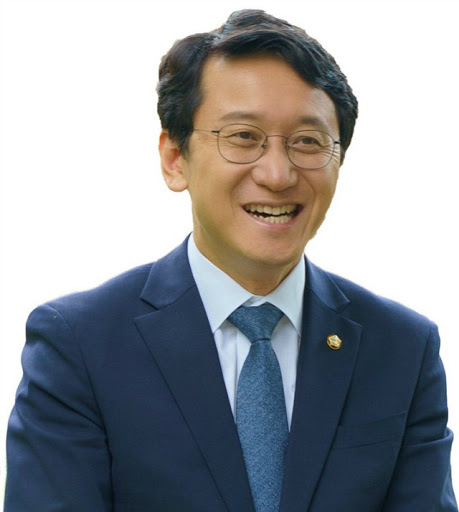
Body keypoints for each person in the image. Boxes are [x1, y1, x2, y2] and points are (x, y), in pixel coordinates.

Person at [4, 9, 457, 512]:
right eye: (243, 136)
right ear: (174, 159)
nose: (278, 174)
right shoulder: (81, 344)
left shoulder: (401, 348)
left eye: (308, 141)